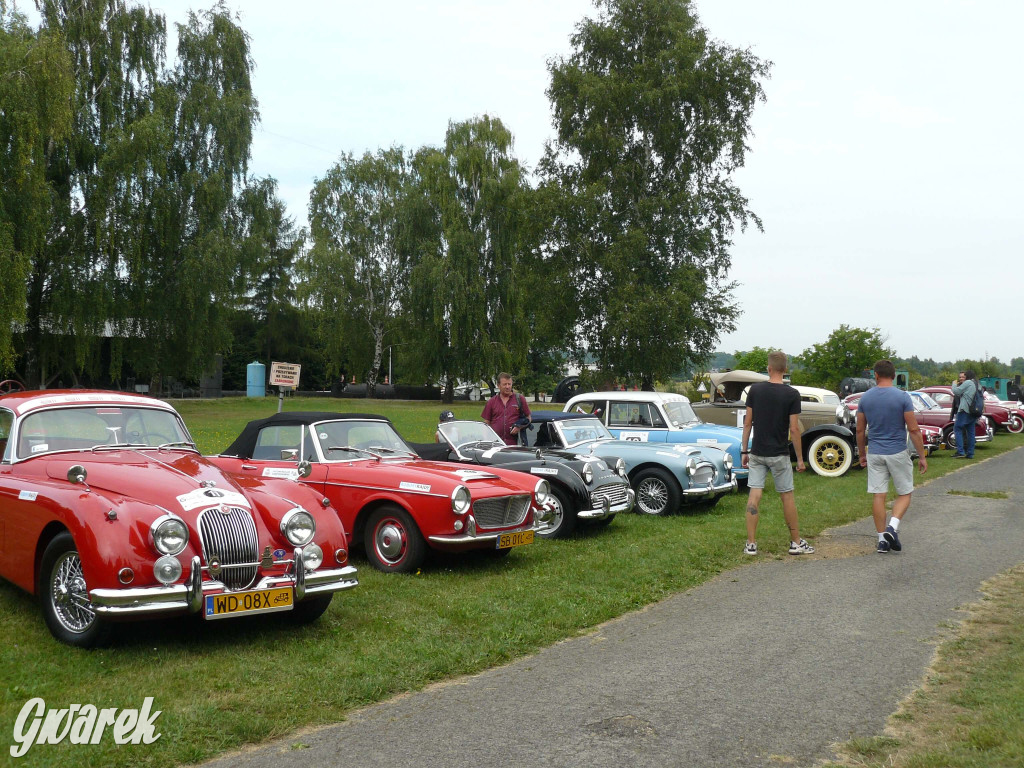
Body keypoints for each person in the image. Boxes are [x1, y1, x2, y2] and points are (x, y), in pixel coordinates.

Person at [739, 351, 814, 556]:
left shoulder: (755, 390)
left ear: (769, 368)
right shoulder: (791, 394)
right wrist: (799, 459)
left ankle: (751, 544)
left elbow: (747, 423)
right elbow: (795, 429)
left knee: (755, 494)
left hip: (758, 451)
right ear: (786, 370)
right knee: (787, 496)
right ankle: (795, 542)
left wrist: (744, 450)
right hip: (780, 453)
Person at [856, 359, 928, 553]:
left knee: (879, 495)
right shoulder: (902, 397)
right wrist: (921, 456)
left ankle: (882, 540)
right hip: (897, 450)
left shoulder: (865, 398)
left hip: (875, 452)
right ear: (894, 376)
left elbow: (860, 430)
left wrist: (862, 454)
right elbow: (913, 428)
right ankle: (892, 527)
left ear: (876, 375)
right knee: (904, 492)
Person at [481, 373, 531, 446]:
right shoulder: (491, 402)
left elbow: (528, 418)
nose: (507, 387)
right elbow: (486, 424)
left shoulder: (520, 399)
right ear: (498, 385)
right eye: (504, 384)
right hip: (496, 444)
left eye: (509, 384)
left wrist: (519, 426)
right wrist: (485, 441)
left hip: (515, 444)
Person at [950, 369, 979, 458]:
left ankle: (960, 451)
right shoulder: (977, 383)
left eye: (965, 376)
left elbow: (956, 392)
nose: (963, 377)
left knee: (957, 428)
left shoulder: (968, 382)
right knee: (971, 432)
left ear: (968, 376)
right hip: (974, 410)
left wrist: (954, 384)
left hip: (965, 409)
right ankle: (970, 453)